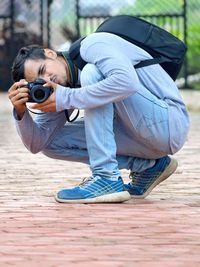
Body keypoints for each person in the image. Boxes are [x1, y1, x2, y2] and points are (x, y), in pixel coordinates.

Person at [8, 31, 190, 204]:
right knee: (51, 142)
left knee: (92, 73)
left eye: (43, 69)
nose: (47, 79)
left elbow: (127, 82)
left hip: (168, 124)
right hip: (141, 136)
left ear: (50, 53)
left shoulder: (93, 45)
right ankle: (150, 166)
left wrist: (66, 98)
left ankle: (106, 177)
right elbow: (37, 143)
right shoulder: (58, 88)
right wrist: (20, 111)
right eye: (38, 80)